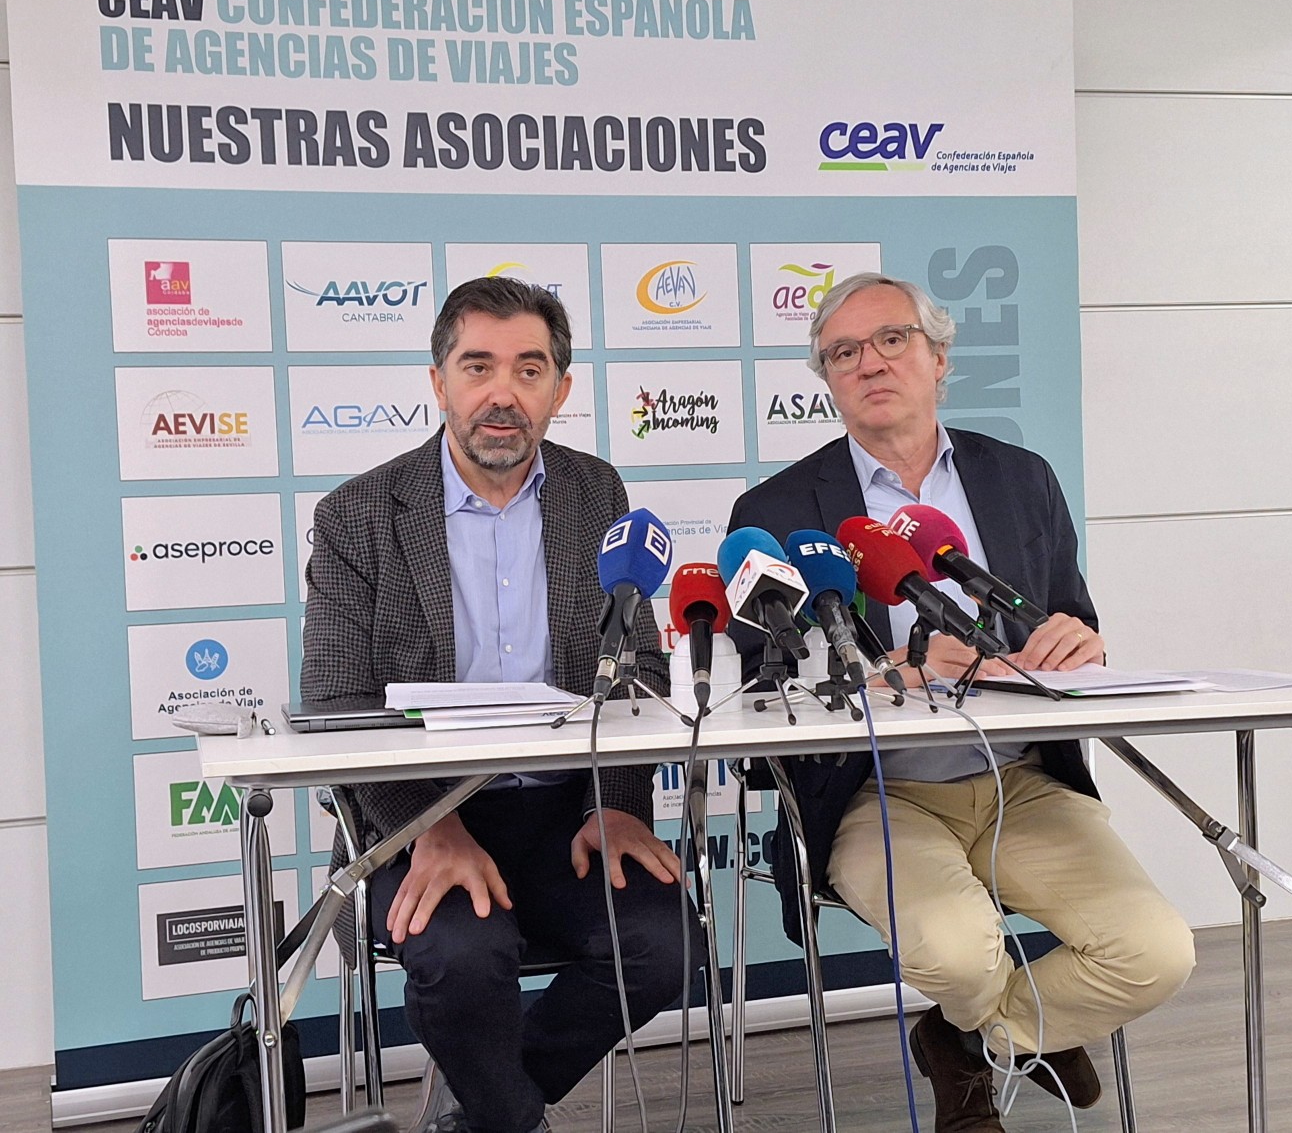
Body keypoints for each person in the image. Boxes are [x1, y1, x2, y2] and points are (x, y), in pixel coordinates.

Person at [726, 273, 1195, 1132]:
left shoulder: (1019, 478)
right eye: (842, 352)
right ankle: (1021, 1027)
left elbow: (1071, 617)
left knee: (1155, 953)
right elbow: (763, 683)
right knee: (955, 952)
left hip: (1023, 782)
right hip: (875, 791)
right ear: (827, 379)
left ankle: (964, 1041)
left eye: (891, 340)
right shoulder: (777, 510)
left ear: (938, 358)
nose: (870, 363)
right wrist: (881, 672)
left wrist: (1078, 643)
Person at [301, 277, 697, 1133]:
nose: (502, 393)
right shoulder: (357, 514)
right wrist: (428, 828)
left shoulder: (596, 491)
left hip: (566, 807)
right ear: (438, 382)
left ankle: (484, 1110)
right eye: (477, 366)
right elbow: (334, 700)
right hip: (421, 807)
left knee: (663, 948)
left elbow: (635, 674)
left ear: (560, 388)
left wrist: (615, 804)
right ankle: (506, 1115)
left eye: (529, 369)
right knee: (462, 956)